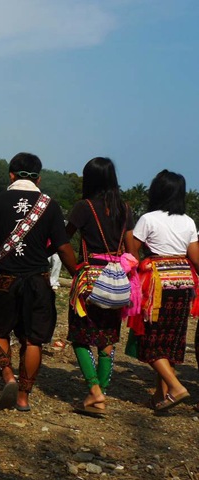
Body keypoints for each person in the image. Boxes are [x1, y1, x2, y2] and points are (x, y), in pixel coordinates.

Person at [0, 152, 77, 411]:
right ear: (38, 179)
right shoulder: (50, 205)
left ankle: (8, 376)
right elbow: (63, 247)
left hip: (5, 279)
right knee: (33, 340)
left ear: (11, 175)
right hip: (38, 281)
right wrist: (78, 274)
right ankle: (23, 397)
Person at [66, 157, 135, 416]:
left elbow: (63, 239)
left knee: (79, 336)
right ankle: (101, 397)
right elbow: (132, 249)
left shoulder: (83, 207)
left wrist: (72, 267)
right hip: (116, 280)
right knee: (107, 337)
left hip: (90, 279)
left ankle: (95, 391)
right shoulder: (125, 209)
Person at [127, 170, 199, 412]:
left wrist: (137, 269)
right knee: (170, 340)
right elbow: (195, 258)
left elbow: (132, 249)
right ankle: (161, 395)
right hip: (183, 283)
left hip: (157, 283)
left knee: (150, 339)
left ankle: (176, 387)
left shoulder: (148, 219)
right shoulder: (188, 221)